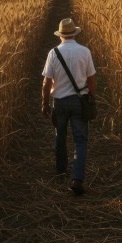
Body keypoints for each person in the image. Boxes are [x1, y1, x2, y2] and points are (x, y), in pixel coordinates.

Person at [41, 18, 97, 195]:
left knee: (60, 136)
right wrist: (90, 98)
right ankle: (77, 178)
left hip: (59, 101)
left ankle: (60, 170)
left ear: (61, 36)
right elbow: (92, 80)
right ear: (74, 33)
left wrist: (44, 103)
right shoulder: (85, 51)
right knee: (80, 139)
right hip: (79, 101)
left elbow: (46, 82)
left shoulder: (53, 53)